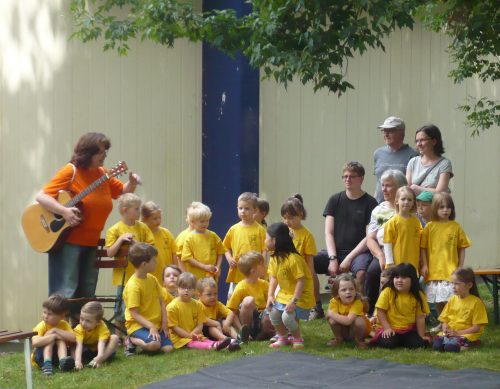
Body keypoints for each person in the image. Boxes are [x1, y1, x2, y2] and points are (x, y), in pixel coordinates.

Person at [35, 132, 141, 316]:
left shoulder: (103, 174)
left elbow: (121, 193)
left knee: (87, 292)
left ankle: (82, 335)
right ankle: (58, 333)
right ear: (88, 152)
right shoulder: (71, 171)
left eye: (106, 151)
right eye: (101, 151)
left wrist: (131, 183)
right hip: (67, 241)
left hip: (91, 242)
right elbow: (42, 196)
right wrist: (65, 211)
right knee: (66, 290)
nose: (105, 155)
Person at [315, 162, 378, 290]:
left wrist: (349, 259)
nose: (347, 179)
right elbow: (329, 233)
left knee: (361, 273)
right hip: (335, 252)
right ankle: (316, 306)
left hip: (359, 254)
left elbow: (369, 237)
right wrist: (333, 259)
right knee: (306, 262)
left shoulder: (370, 203)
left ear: (361, 179)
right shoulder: (334, 200)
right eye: (345, 176)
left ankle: (359, 307)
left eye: (352, 176)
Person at [105, 193, 155, 334]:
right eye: (136, 209)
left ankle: (139, 332)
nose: (139, 212)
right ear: (125, 210)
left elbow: (151, 249)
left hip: (142, 276)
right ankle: (119, 335)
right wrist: (120, 239)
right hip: (124, 277)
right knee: (122, 308)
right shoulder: (114, 230)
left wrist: (135, 244)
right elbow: (110, 253)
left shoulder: (142, 228)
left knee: (141, 305)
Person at [364, 169, 407, 315]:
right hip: (383, 251)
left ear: (400, 188)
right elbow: (370, 238)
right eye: (382, 185)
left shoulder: (409, 209)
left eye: (388, 185)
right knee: (372, 273)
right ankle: (370, 313)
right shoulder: (378, 210)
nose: (384, 189)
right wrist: (380, 256)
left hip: (405, 251)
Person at [420, 193, 471, 316]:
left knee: (450, 299)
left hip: (450, 270)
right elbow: (423, 248)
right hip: (434, 271)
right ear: (435, 209)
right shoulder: (429, 227)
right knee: (437, 299)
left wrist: (460, 266)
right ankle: (442, 321)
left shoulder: (456, 227)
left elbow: (462, 247)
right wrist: (425, 265)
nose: (445, 210)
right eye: (441, 207)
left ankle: (451, 321)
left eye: (448, 207)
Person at [266, 223, 315, 349]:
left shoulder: (294, 259)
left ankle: (297, 338)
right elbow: (273, 277)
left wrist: (294, 301)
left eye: (266, 238)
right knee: (273, 312)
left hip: (301, 296)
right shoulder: (274, 258)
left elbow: (301, 281)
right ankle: (282, 337)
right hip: (285, 294)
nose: (264, 241)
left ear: (274, 240)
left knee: (287, 317)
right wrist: (270, 295)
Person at [122, 243, 174, 356]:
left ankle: (149, 341)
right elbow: (134, 314)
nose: (157, 263)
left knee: (168, 349)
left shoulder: (153, 279)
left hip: (155, 325)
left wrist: (164, 323)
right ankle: (131, 339)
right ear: (144, 264)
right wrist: (151, 326)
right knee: (155, 345)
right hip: (138, 326)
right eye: (154, 261)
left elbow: (161, 301)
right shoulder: (133, 286)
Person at [280, 194, 323, 320]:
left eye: (291, 218)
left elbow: (310, 263)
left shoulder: (307, 236)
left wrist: (308, 278)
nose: (287, 221)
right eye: (284, 218)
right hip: (285, 272)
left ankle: (316, 306)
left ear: (301, 215)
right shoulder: (284, 231)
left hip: (301, 273)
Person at [167, 272, 232, 351]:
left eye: (190, 288)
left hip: (197, 336)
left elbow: (200, 324)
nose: (186, 290)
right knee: (197, 343)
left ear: (194, 290)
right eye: (183, 287)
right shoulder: (171, 307)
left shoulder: (197, 305)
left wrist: (194, 334)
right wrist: (190, 336)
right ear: (177, 288)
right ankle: (215, 345)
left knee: (206, 341)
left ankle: (228, 344)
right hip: (180, 339)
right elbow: (175, 328)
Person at [372, 263, 430, 349]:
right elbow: (380, 312)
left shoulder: (418, 295)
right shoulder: (387, 291)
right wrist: (387, 328)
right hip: (389, 328)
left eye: (404, 277)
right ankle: (397, 340)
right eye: (397, 277)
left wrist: (421, 336)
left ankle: (403, 341)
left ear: (412, 279)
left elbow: (420, 317)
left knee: (420, 344)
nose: (399, 280)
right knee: (388, 343)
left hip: (408, 330)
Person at [433, 268, 488, 352]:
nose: (453, 287)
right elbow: (445, 320)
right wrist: (445, 329)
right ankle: (461, 343)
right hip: (451, 333)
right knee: (437, 346)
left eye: (457, 284)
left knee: (450, 348)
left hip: (466, 334)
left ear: (469, 285)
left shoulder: (476, 302)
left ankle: (471, 343)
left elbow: (476, 328)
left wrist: (457, 333)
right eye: (452, 283)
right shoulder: (452, 299)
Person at [224, 192, 267, 297]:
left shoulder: (260, 230)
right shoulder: (233, 229)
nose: (243, 211)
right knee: (235, 299)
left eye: (247, 209)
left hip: (254, 272)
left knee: (254, 300)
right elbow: (225, 247)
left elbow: (265, 250)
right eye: (240, 208)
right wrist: (229, 259)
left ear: (255, 210)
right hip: (238, 272)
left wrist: (261, 266)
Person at [226, 251, 275, 341]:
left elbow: (271, 305)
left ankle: (263, 334)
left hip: (262, 317)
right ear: (253, 270)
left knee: (269, 316)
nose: (266, 267)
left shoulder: (264, 284)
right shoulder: (240, 287)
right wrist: (239, 327)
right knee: (248, 301)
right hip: (249, 319)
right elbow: (232, 310)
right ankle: (246, 333)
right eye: (263, 265)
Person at [373, 116, 418, 203]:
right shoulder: (378, 153)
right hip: (380, 207)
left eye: (390, 131)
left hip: (401, 208)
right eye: (384, 131)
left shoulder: (413, 155)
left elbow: (412, 185)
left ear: (401, 133)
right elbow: (378, 184)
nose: (386, 134)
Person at [31, 294, 76, 376]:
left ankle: (63, 362)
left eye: (50, 314)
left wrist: (55, 330)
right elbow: (34, 342)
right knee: (51, 339)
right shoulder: (42, 325)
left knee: (60, 339)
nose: (45, 316)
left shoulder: (64, 324)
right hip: (40, 356)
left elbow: (73, 338)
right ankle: (47, 365)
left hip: (56, 356)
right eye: (44, 312)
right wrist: (53, 336)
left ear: (61, 316)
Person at [181, 202, 226, 280]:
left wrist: (218, 266)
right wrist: (204, 267)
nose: (205, 223)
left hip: (211, 276)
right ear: (192, 222)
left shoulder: (213, 235)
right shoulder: (189, 238)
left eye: (207, 221)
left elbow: (220, 252)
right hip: (196, 277)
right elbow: (187, 258)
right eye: (202, 221)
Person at [383, 186, 422, 272]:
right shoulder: (392, 222)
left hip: (413, 264)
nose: (406, 202)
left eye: (409, 200)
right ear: (397, 201)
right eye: (403, 199)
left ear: (413, 203)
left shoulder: (416, 221)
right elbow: (387, 244)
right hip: (397, 265)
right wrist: (390, 263)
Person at [406, 124, 453, 195]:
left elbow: (441, 192)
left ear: (434, 141)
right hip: (415, 205)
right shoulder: (413, 162)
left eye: (422, 140)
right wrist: (432, 190)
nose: (419, 144)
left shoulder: (444, 164)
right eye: (417, 141)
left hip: (434, 205)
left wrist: (418, 189)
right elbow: (407, 189)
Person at [326, 273, 370, 349]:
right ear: (337, 294)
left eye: (351, 289)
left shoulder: (357, 302)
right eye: (344, 290)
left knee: (359, 321)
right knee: (332, 320)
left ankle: (360, 341)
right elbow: (331, 320)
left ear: (355, 290)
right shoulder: (334, 301)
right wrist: (331, 315)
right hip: (346, 331)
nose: (348, 292)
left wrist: (330, 313)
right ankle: (339, 339)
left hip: (359, 331)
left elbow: (348, 321)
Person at [197, 277, 241, 351]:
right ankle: (225, 340)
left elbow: (230, 313)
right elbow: (202, 319)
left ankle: (238, 338)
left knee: (224, 321)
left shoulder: (217, 304)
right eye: (209, 295)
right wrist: (216, 323)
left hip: (219, 329)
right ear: (199, 295)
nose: (213, 297)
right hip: (205, 331)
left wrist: (227, 323)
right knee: (211, 327)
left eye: (215, 294)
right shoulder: (198, 305)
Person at [141, 200, 180, 281]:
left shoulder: (166, 233)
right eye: (154, 219)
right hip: (150, 276)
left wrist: (176, 271)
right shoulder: (142, 235)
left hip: (167, 277)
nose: (158, 221)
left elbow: (174, 253)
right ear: (144, 219)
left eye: (159, 217)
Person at [73, 301, 119, 370]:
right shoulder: (79, 328)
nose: (83, 323)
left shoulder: (102, 327)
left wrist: (100, 356)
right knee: (73, 343)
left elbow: (102, 342)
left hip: (101, 350)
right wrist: (78, 360)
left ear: (98, 322)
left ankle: (98, 361)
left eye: (88, 321)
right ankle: (77, 362)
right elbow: (79, 345)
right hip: (86, 351)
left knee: (115, 338)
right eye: (81, 319)